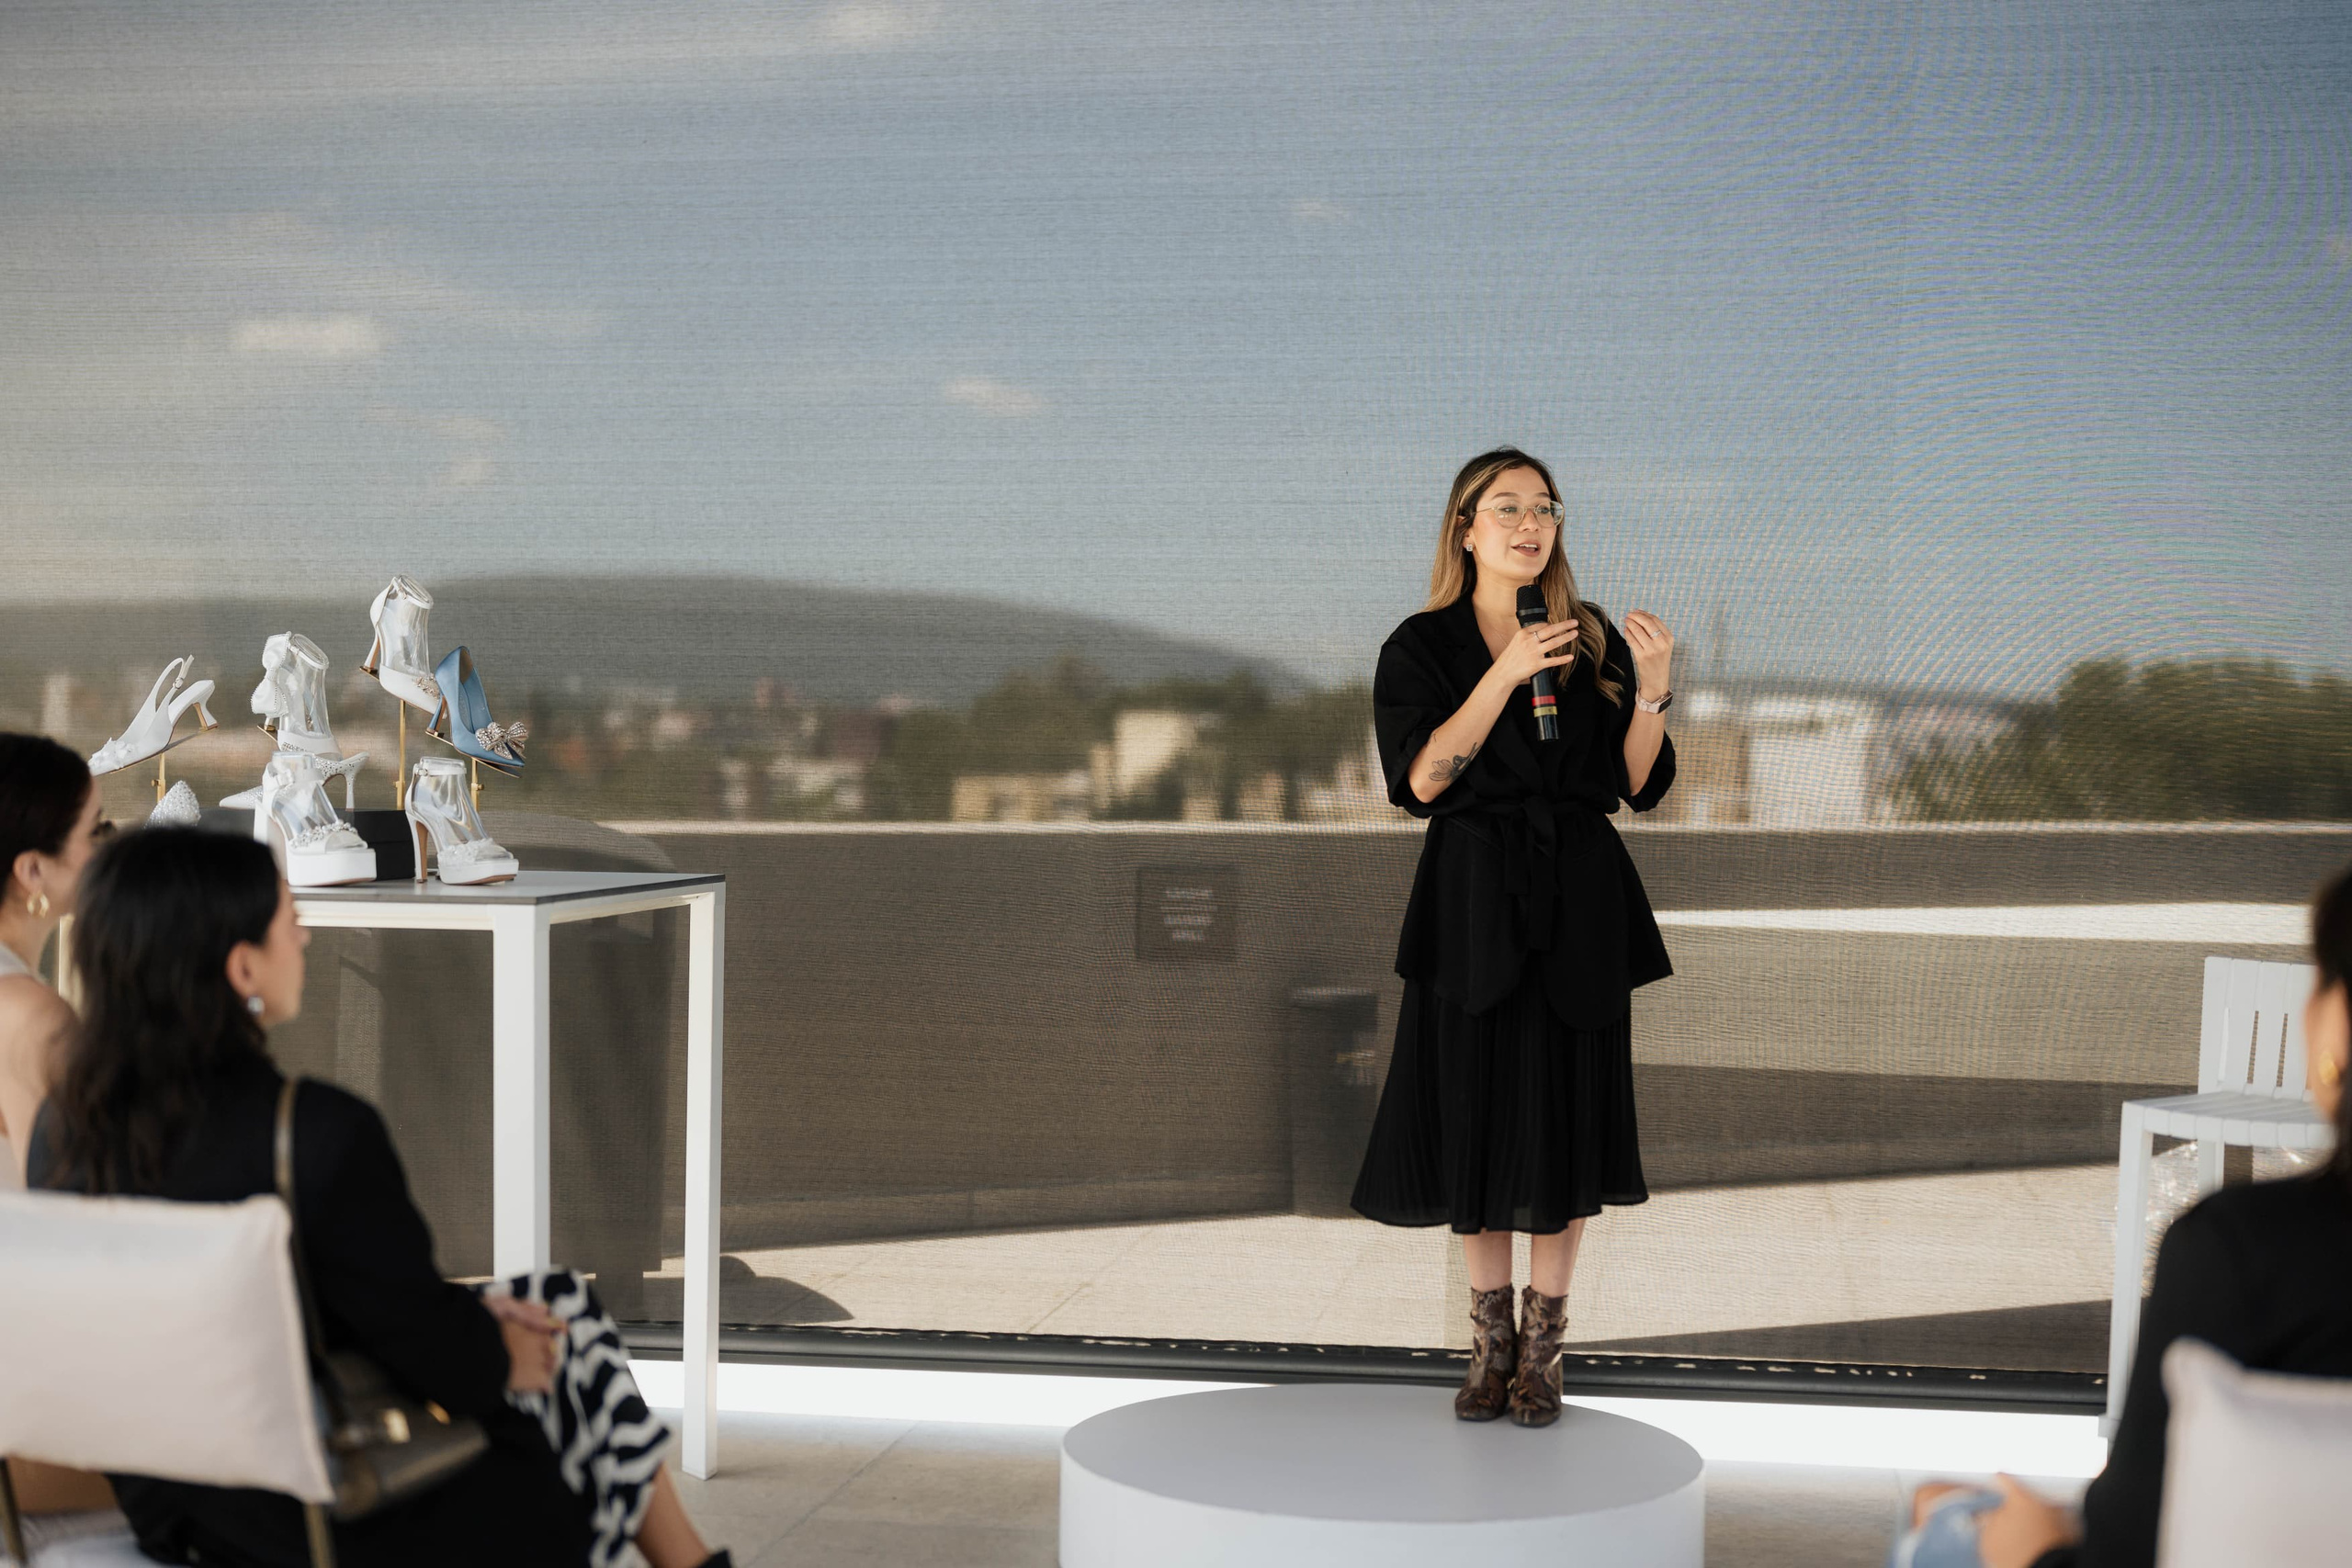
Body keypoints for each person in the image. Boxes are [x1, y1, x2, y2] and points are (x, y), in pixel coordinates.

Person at [28, 827, 729, 1568]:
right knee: (562, 1345)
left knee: (553, 1304)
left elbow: (256, 1336)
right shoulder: (310, 1134)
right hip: (345, 1515)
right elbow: (444, 1364)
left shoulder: (64, 1132)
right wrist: (497, 1347)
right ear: (241, 967)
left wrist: (469, 1323)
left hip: (181, 1510)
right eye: (286, 911)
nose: (302, 931)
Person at [1350, 446, 1678, 1427]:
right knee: (1478, 1116)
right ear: (1464, 527)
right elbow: (1421, 781)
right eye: (1507, 508)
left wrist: (1651, 691)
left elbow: (1634, 781)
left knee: (1567, 1120)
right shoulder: (1418, 646)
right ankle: (1486, 1347)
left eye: (1544, 509)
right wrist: (1503, 673)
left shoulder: (1589, 640)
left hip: (1579, 900)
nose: (1530, 525)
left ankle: (1544, 1351)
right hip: (1472, 904)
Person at [1897, 862, 2352, 1568]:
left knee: (1943, 1526)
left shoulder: (2241, 1251)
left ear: (2337, 1026)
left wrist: (2036, 1550)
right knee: (1941, 1499)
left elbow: (2129, 1547)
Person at [0, 732, 119, 1518]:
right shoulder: (34, 1019)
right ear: (34, 871)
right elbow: (89, 1223)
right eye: (98, 829)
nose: (115, 844)